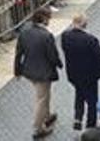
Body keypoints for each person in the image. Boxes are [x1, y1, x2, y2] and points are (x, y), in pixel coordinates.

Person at [14, 8, 63, 139]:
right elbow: (52, 55)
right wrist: (59, 64)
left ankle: (46, 116)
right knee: (41, 99)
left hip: (29, 70)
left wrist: (17, 70)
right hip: (43, 72)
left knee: (45, 95)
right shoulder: (46, 36)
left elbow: (18, 53)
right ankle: (38, 127)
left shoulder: (24, 32)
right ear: (44, 18)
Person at [61, 14, 100, 132]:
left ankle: (78, 118)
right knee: (92, 100)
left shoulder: (65, 36)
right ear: (84, 24)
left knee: (80, 94)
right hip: (89, 75)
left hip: (73, 74)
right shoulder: (90, 39)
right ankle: (90, 125)